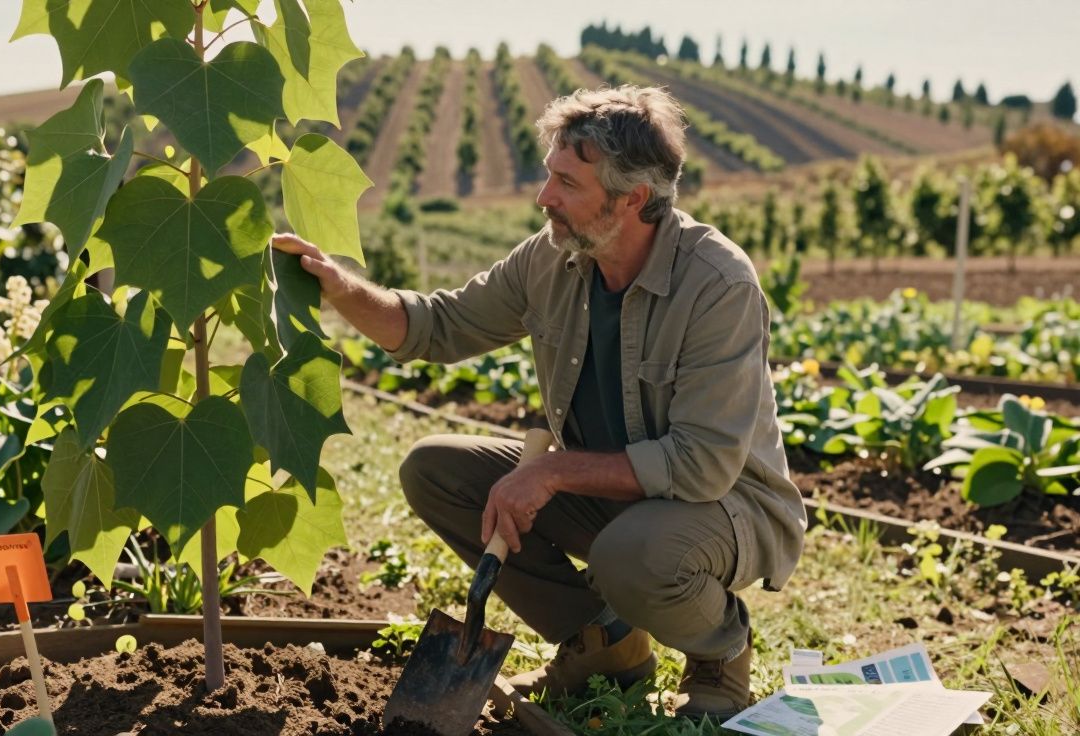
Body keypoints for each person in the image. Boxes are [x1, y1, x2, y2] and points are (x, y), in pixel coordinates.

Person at [271, 84, 806, 720]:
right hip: (614, 496)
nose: (543, 196)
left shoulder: (717, 285)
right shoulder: (552, 257)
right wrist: (340, 287)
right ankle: (606, 645)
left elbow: (701, 466)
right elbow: (435, 326)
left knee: (632, 555)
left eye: (566, 182)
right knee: (436, 469)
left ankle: (719, 653)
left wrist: (550, 472)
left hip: (725, 507)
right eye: (549, 174)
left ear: (632, 198)